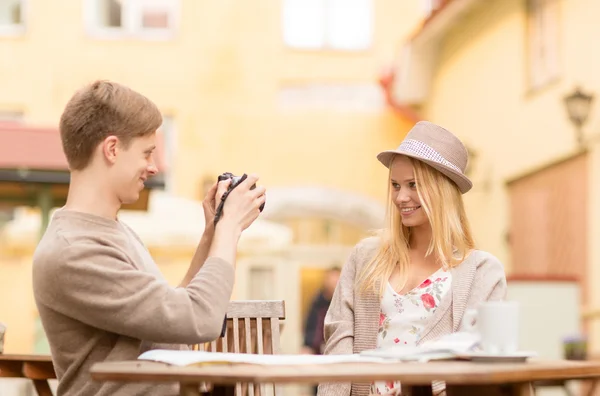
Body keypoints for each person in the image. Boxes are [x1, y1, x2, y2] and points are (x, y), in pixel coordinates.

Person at [32, 80, 266, 396]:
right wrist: (229, 229)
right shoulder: (74, 251)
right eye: (147, 153)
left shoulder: (112, 232)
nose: (153, 168)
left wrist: (212, 233)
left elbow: (172, 323)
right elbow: (199, 320)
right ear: (112, 149)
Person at [317, 121, 507, 396]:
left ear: (442, 190)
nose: (400, 197)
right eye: (395, 185)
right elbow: (339, 338)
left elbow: (475, 357)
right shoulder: (365, 256)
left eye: (413, 185)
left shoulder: (482, 271)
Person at [302, 267, 341, 357]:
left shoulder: (344, 304)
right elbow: (310, 328)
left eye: (336, 280)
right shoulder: (316, 304)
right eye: (331, 280)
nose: (333, 283)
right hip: (316, 351)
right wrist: (307, 346)